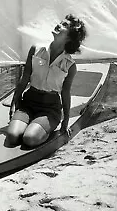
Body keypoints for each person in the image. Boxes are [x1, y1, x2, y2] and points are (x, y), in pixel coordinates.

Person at [6, 14, 87, 148]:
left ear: (69, 37)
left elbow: (65, 93)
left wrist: (65, 120)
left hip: (50, 109)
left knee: (29, 139)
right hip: (28, 103)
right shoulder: (36, 49)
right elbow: (25, 77)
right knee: (13, 137)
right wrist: (15, 101)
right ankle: (31, 124)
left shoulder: (70, 65)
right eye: (61, 22)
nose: (59, 25)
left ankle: (41, 127)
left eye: (64, 25)